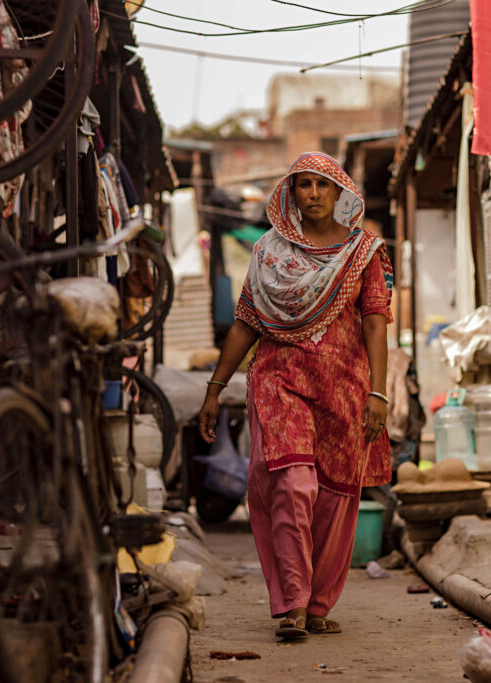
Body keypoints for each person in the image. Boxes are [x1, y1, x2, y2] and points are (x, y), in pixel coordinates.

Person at [198, 151, 393, 639]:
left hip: (345, 389)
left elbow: (374, 322)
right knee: (293, 485)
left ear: (339, 192)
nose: (312, 194)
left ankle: (320, 603)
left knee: (334, 498)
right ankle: (293, 605)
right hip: (278, 380)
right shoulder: (269, 252)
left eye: (321, 186)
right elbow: (246, 322)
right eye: (303, 185)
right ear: (291, 193)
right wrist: (215, 388)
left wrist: (379, 393)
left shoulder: (365, 252)